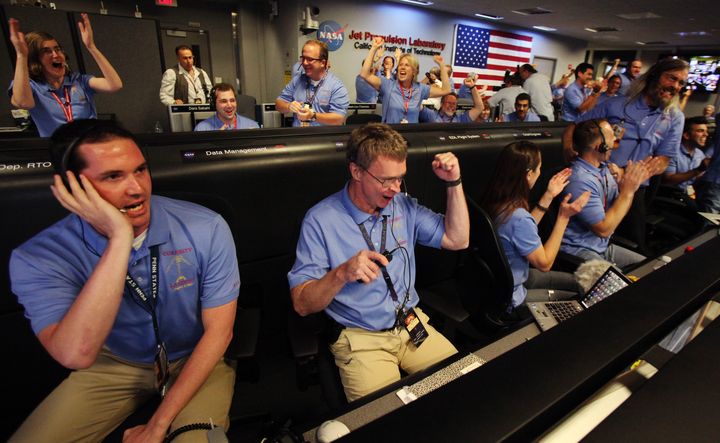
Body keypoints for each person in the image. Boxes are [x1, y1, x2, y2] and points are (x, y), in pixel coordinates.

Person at [8, 119, 240, 442]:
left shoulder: (206, 226)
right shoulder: (37, 257)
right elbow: (77, 354)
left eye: (140, 170)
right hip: (114, 364)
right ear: (74, 188)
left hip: (197, 357)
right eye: (114, 176)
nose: (138, 188)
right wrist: (119, 237)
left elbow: (220, 332)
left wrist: (158, 425)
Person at [287, 123, 468, 401]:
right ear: (356, 171)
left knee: (464, 386)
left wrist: (453, 183)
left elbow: (458, 240)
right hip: (362, 338)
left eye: (400, 178)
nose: (395, 189)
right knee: (383, 420)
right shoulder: (321, 220)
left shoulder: (403, 205)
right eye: (386, 180)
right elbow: (301, 304)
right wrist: (342, 273)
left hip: (410, 325)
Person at [563, 58, 689, 254]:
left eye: (681, 83)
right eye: (672, 78)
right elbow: (575, 125)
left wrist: (631, 174)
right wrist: (569, 151)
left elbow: (664, 159)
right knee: (587, 237)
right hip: (599, 182)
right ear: (655, 75)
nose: (676, 86)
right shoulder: (616, 105)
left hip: (633, 188)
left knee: (635, 246)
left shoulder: (674, 117)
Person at [480, 141, 589, 311]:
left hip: (501, 286)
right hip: (514, 300)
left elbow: (521, 229)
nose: (540, 173)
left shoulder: (498, 202)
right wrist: (563, 217)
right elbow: (545, 264)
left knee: (581, 281)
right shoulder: (518, 217)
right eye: (539, 169)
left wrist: (549, 195)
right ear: (528, 174)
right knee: (579, 300)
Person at [8, 15, 122, 137]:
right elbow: (23, 103)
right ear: (36, 60)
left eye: (57, 49)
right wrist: (22, 56)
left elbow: (114, 85)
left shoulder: (79, 81)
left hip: (90, 148)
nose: (56, 55)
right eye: (47, 51)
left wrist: (91, 47)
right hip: (60, 151)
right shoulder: (32, 86)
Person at [561, 119, 653, 269]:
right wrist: (627, 192)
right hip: (579, 251)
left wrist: (628, 186)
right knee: (619, 284)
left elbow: (618, 211)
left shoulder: (604, 170)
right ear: (600, 146)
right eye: (611, 137)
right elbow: (604, 229)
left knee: (648, 268)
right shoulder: (580, 181)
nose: (615, 141)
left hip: (602, 248)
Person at [360, 37, 451, 124]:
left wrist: (442, 65)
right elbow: (365, 74)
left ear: (414, 71)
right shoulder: (387, 85)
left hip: (410, 136)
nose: (402, 67)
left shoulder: (420, 89)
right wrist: (374, 48)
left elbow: (446, 90)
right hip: (391, 136)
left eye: (407, 65)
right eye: (400, 65)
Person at [275, 40, 349, 126]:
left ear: (322, 62)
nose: (305, 63)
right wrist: (288, 106)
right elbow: (278, 104)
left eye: (310, 59)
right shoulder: (297, 80)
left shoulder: (336, 86)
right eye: (303, 58)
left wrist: (313, 116)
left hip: (323, 138)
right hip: (298, 136)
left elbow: (339, 118)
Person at [662, 116, 710, 201]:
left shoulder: (700, 154)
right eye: (700, 131)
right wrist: (698, 170)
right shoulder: (672, 152)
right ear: (687, 135)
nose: (706, 134)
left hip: (687, 197)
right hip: (668, 197)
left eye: (706, 131)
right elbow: (668, 181)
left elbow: (697, 181)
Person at [194, 83, 259, 131]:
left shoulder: (252, 126)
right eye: (224, 101)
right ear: (214, 104)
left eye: (232, 100)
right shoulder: (201, 129)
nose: (229, 105)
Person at [419, 77, 486, 123]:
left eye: (454, 104)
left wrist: (472, 87)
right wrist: (426, 79)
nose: (452, 105)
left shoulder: (461, 119)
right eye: (449, 102)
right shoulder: (431, 115)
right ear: (442, 103)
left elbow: (480, 108)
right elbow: (415, 100)